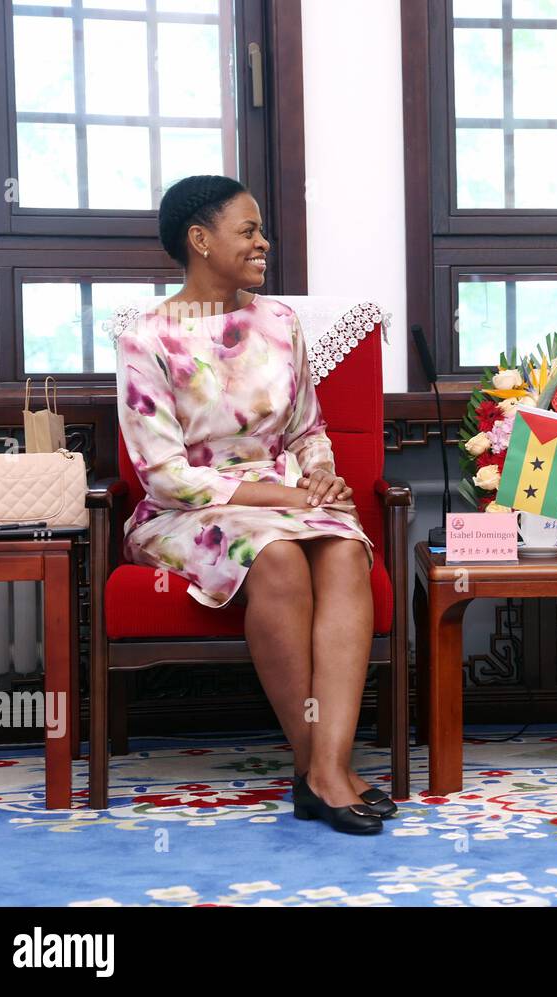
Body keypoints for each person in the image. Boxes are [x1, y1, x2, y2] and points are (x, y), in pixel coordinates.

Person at [113, 175, 390, 834]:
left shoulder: (280, 322)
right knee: (279, 560)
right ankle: (318, 767)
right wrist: (284, 493)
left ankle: (325, 765)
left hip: (285, 496)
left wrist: (321, 479)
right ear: (200, 240)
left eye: (261, 229)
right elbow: (164, 477)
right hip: (185, 512)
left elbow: (306, 430)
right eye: (248, 230)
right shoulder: (146, 336)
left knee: (349, 548)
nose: (264, 242)